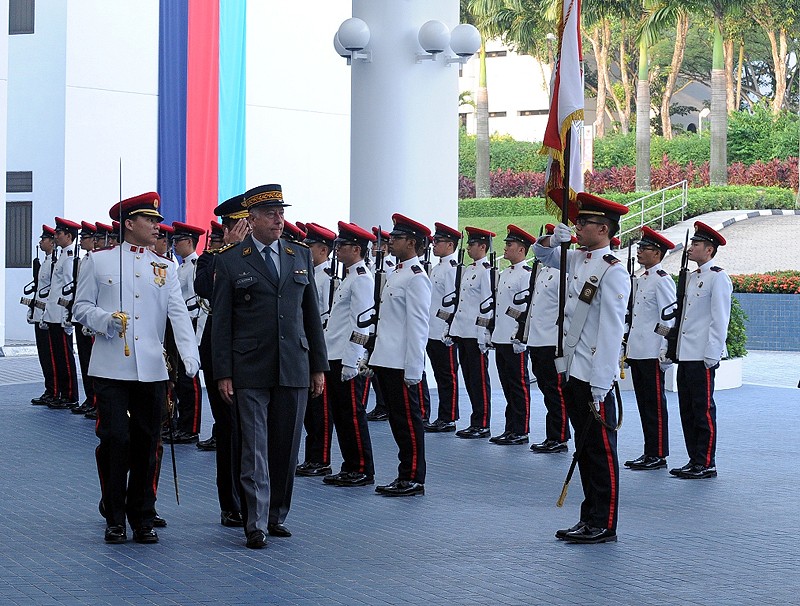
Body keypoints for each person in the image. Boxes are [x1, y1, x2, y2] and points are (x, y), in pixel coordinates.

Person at [73, 192, 200, 544]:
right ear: (129, 224)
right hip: (111, 366)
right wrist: (105, 319)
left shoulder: (165, 267)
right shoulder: (98, 263)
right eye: (150, 220)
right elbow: (80, 308)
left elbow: (178, 314)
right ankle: (114, 516)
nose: (157, 227)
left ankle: (142, 515)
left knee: (147, 443)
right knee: (116, 439)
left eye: (157, 221)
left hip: (151, 368)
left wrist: (190, 355)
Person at [211, 183, 328, 549]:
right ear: (253, 219)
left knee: (285, 445)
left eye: (282, 212)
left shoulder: (299, 255)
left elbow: (310, 314)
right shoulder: (231, 259)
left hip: (294, 362)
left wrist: (318, 367)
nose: (280, 219)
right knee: (254, 448)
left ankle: (277, 514)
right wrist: (223, 372)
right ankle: (255, 522)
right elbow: (222, 322)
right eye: (272, 214)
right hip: (249, 367)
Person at [535, 192, 630, 544]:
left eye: (584, 223)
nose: (577, 226)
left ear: (603, 229)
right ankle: (588, 517)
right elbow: (542, 254)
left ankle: (603, 522)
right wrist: (550, 239)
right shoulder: (577, 258)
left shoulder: (612, 270)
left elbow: (610, 330)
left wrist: (602, 380)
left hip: (594, 373)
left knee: (600, 452)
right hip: (573, 369)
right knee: (584, 448)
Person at [194, 196, 248, 528]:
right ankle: (232, 502)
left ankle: (258, 500)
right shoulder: (213, 258)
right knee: (230, 429)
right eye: (240, 225)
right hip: (223, 353)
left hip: (258, 354)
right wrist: (228, 250)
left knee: (256, 429)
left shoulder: (267, 256)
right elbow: (206, 289)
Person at [368, 213, 431, 496]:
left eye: (396, 238)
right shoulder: (398, 272)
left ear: (412, 242)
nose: (390, 241)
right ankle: (403, 473)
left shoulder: (416, 277)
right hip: (387, 359)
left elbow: (418, 326)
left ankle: (413, 477)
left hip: (401, 363)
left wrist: (414, 368)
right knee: (397, 421)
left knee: (408, 422)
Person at [670, 221, 732, 479]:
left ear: (709, 250)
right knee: (687, 409)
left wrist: (712, 353)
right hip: (685, 353)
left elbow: (720, 319)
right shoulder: (692, 277)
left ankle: (706, 462)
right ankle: (694, 458)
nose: (690, 248)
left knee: (702, 409)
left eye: (695, 244)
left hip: (701, 354)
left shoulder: (718, 278)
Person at [321, 221, 376, 487]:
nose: (337, 250)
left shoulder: (363, 279)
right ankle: (350, 464)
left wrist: (353, 359)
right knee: (341, 414)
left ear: (356, 249)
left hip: (345, 356)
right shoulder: (350, 277)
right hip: (334, 354)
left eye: (341, 245)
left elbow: (362, 323)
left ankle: (362, 468)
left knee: (352, 414)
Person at [623, 226, 676, 471]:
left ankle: (658, 453)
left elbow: (668, 318)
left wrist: (664, 348)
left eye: (644, 249)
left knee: (654, 404)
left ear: (657, 253)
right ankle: (649, 451)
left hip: (653, 351)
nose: (640, 252)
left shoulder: (662, 280)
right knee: (644, 404)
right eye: (640, 248)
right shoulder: (640, 279)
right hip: (638, 350)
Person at [527, 223, 575, 454]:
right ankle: (551, 434)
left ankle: (560, 436)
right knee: (547, 390)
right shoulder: (544, 270)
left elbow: (568, 308)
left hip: (553, 341)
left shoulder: (563, 271)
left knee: (556, 391)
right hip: (538, 339)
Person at [296, 222, 338, 477]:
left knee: (320, 408)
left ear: (323, 250)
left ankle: (320, 457)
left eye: (309, 246)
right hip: (305, 344)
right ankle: (312, 455)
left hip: (319, 344)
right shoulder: (308, 274)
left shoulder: (328, 279)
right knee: (309, 409)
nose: (304, 249)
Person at [489, 225, 535, 445]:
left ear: (521, 249)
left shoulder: (526, 275)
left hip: (515, 338)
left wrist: (521, 337)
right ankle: (510, 427)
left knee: (518, 384)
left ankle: (521, 429)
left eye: (509, 245)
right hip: (501, 336)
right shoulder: (505, 273)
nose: (505, 248)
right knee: (507, 384)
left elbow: (526, 310)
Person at [448, 226, 496, 439]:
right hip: (463, 331)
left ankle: (482, 423)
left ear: (482, 247)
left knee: (479, 380)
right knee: (469, 378)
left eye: (472, 244)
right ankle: (475, 421)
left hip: (475, 333)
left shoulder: (486, 271)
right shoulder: (468, 269)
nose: (467, 248)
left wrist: (484, 333)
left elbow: (487, 303)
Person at [165, 221, 207, 444]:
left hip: (190, 325)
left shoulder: (197, 267)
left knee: (189, 380)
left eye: (177, 241)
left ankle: (191, 427)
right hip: (177, 325)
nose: (174, 245)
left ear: (189, 242)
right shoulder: (181, 267)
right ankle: (182, 422)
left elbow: (197, 304)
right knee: (179, 377)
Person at [424, 222, 461, 433]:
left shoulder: (451, 270)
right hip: (431, 329)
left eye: (438, 241)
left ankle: (448, 417)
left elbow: (451, 302)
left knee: (448, 376)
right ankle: (442, 415)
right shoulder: (437, 268)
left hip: (443, 331)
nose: (434, 245)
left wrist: (449, 328)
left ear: (450, 244)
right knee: (439, 375)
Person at [43, 217, 81, 409]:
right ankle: (60, 393)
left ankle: (70, 395)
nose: (55, 236)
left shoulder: (69, 259)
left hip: (60, 314)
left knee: (65, 357)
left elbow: (68, 288)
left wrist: (67, 316)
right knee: (57, 355)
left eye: (59, 233)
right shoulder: (62, 258)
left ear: (69, 236)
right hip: (53, 314)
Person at [365, 226, 395, 421]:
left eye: (380, 244)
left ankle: (384, 405)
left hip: (383, 320)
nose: (376, 248)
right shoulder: (372, 266)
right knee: (372, 367)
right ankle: (380, 404)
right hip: (372, 320)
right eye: (375, 244)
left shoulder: (390, 266)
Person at [71, 222, 99, 416]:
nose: (83, 241)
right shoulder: (84, 260)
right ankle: (91, 398)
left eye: (86, 238)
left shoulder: (97, 260)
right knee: (85, 360)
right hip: (81, 315)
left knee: (93, 362)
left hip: (95, 320)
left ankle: (96, 400)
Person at [30, 225, 58, 406]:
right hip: (41, 313)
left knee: (51, 355)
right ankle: (50, 389)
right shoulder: (46, 261)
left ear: (52, 241)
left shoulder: (56, 261)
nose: (40, 242)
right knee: (44, 355)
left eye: (44, 239)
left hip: (50, 314)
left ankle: (56, 390)